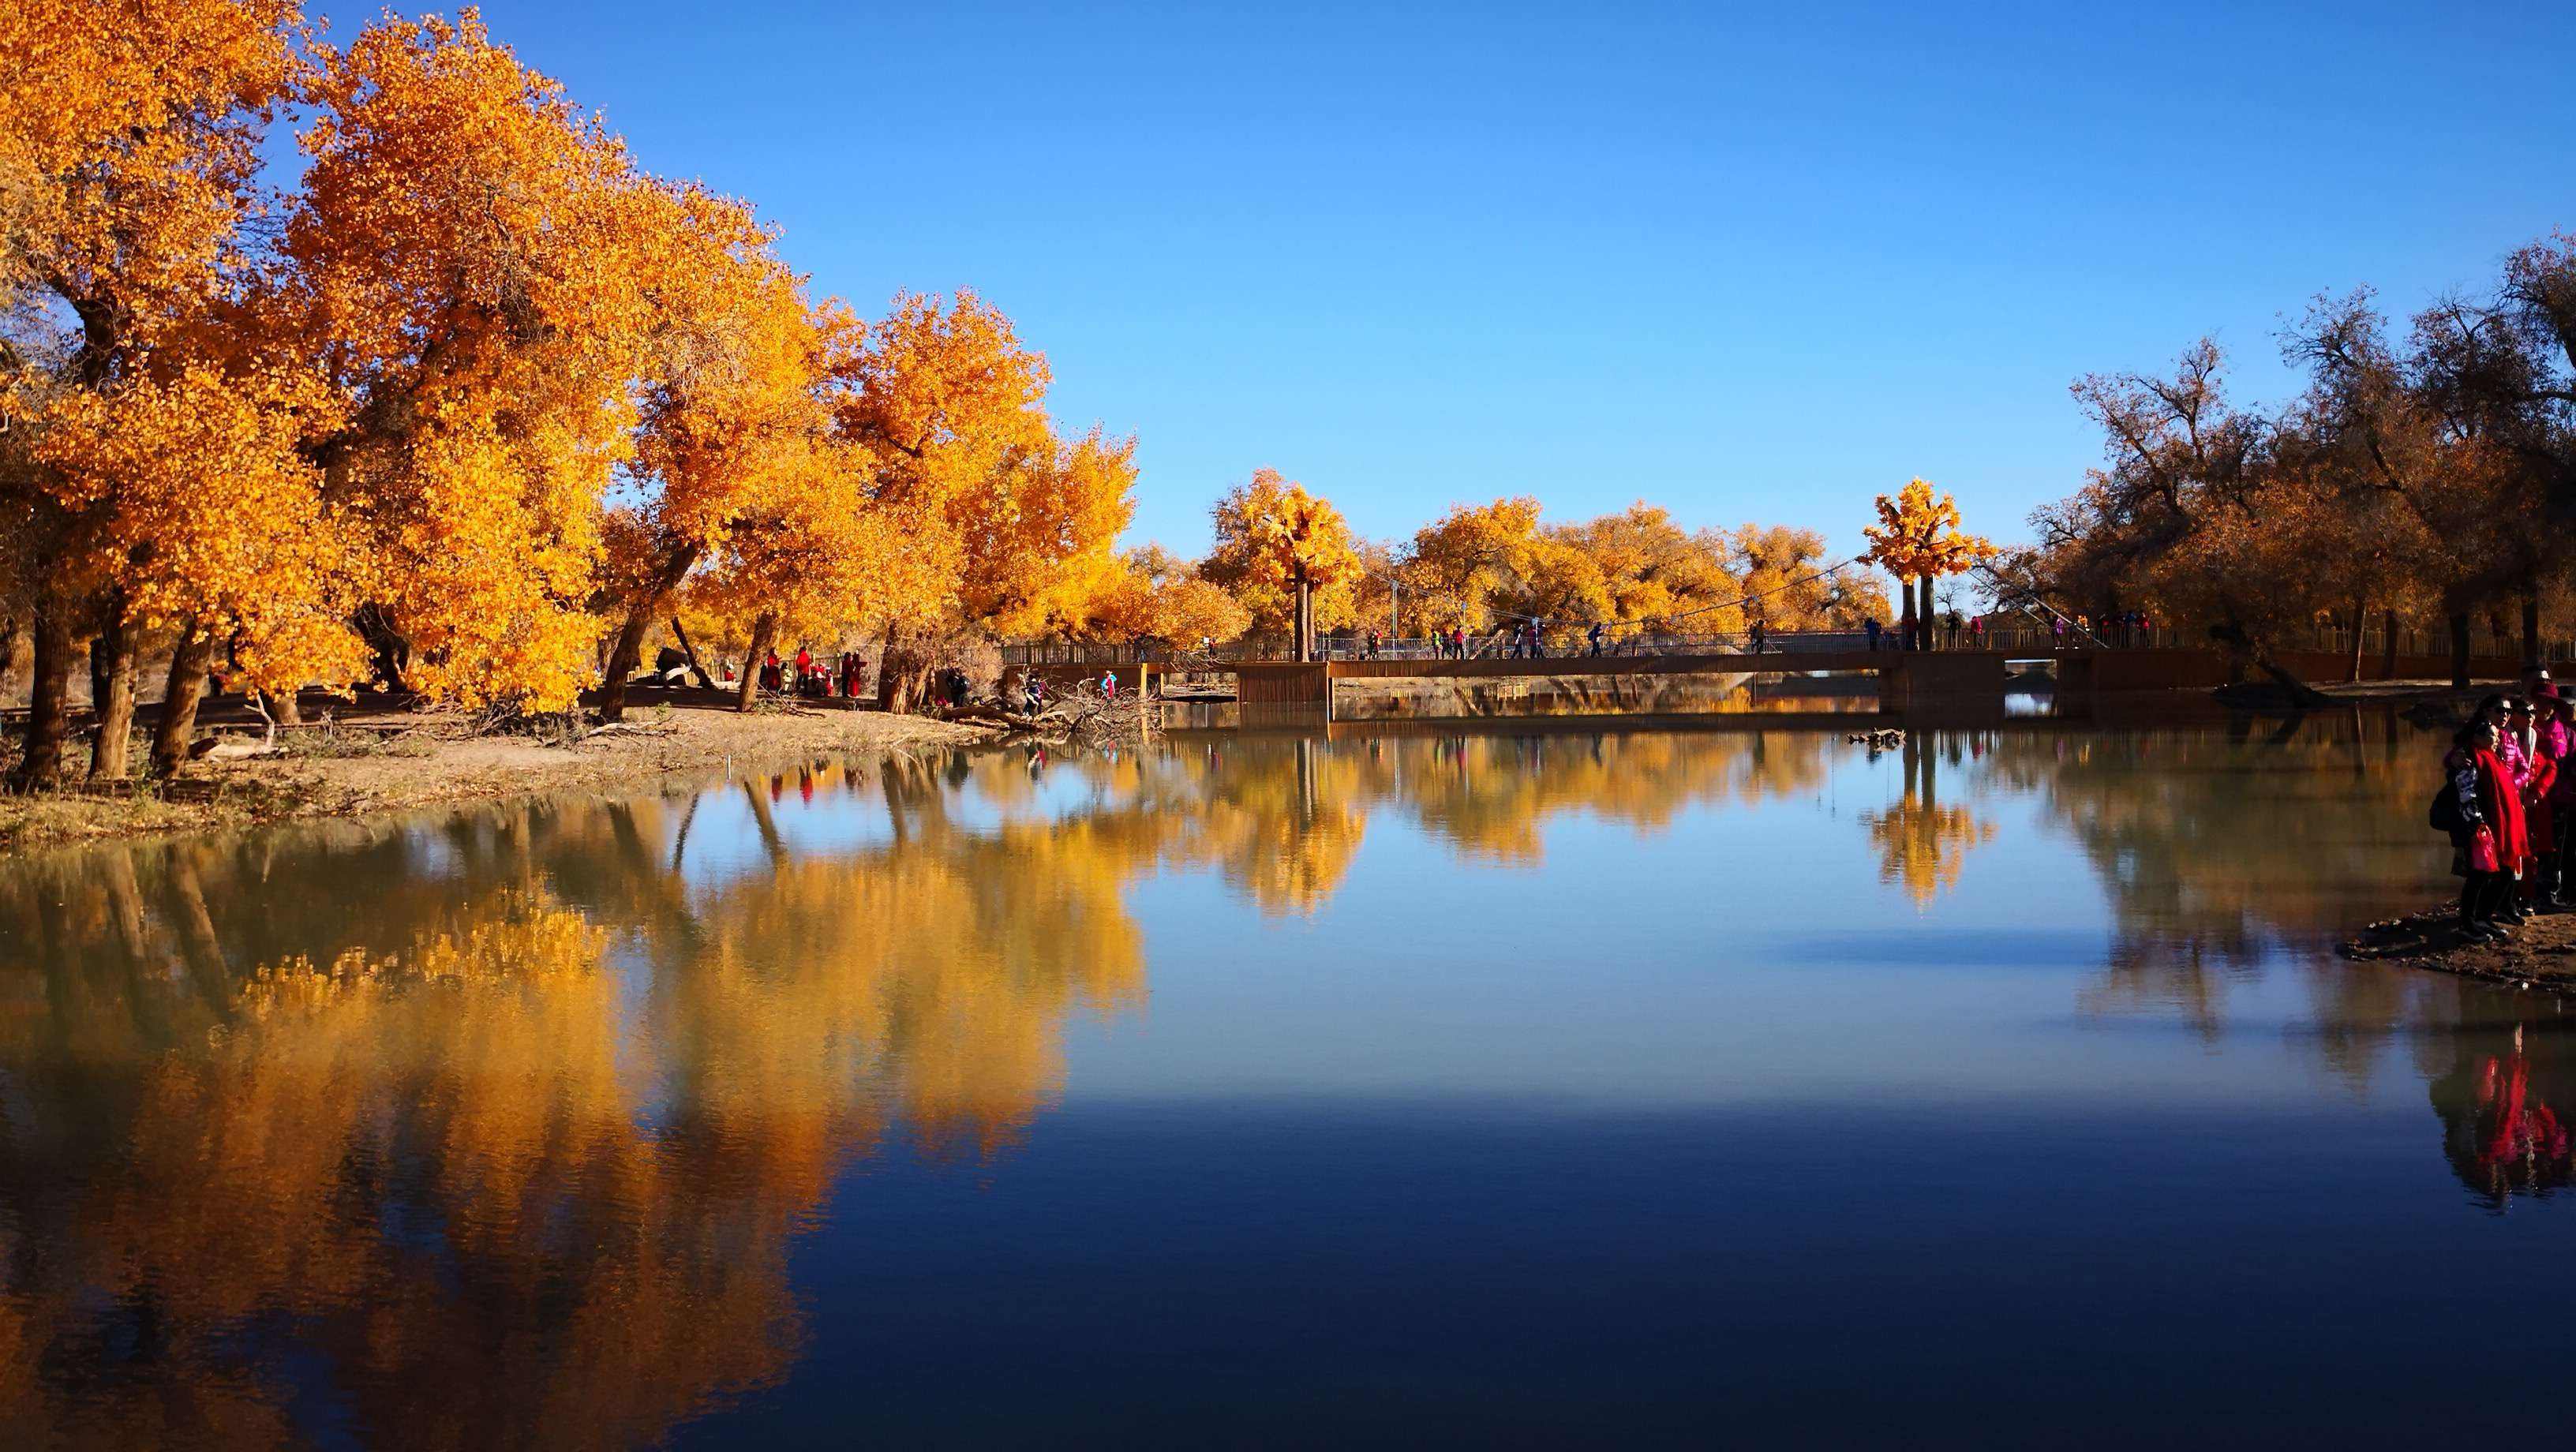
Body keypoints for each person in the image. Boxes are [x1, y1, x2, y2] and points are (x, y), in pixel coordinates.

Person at [2448, 717, 2525, 940]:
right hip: (2479, 828)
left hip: (2499, 826)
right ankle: (2468, 923)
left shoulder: (2492, 757)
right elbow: (2466, 793)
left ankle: (2482, 918)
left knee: (2503, 871)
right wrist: (2477, 824)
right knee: (2478, 875)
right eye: (2492, 735)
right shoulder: (2470, 759)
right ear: (2477, 737)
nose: (2497, 738)